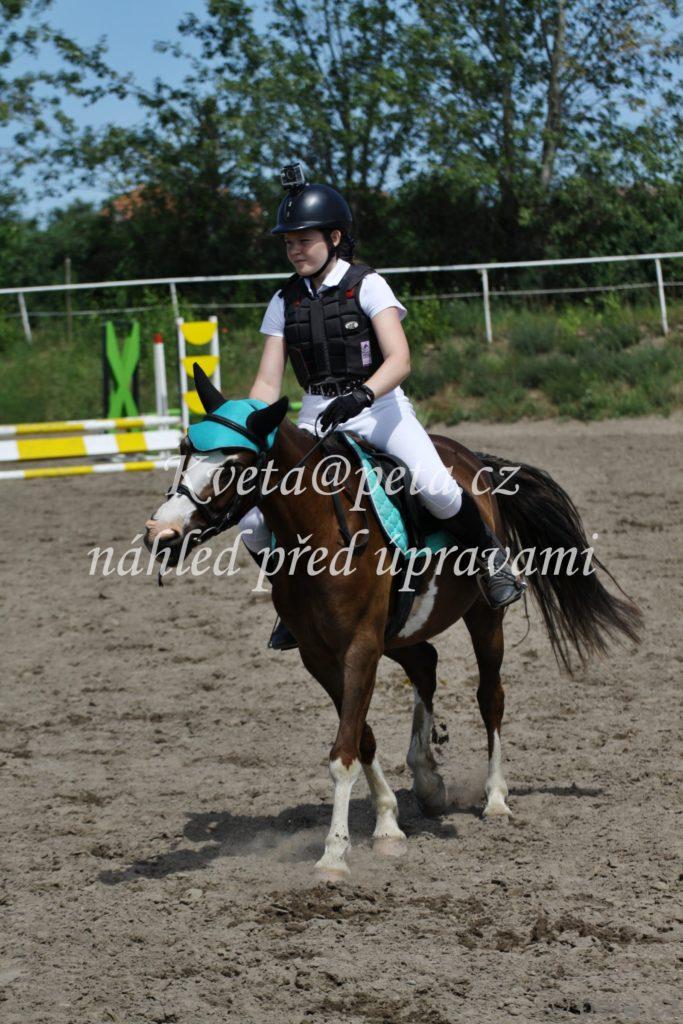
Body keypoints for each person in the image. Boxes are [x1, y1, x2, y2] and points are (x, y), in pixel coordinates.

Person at [238, 165, 524, 649]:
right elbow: (267, 381)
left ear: (334, 237)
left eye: (304, 240)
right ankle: (294, 599)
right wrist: (249, 426)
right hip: (316, 414)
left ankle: (492, 561)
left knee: (437, 487)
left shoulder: (368, 284)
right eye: (288, 242)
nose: (294, 250)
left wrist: (362, 395)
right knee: (251, 519)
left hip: (379, 406)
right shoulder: (283, 300)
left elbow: (400, 359)